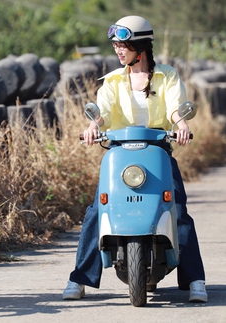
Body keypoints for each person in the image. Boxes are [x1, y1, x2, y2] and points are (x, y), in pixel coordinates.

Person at [62, 15, 207, 303]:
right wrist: (93, 126)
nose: (118, 50)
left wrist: (181, 124)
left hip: (157, 151)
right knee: (97, 211)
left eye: (123, 45)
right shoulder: (115, 79)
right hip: (119, 153)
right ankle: (79, 279)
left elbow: (176, 107)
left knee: (177, 209)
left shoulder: (167, 76)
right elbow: (102, 107)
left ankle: (195, 280)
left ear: (139, 46)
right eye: (115, 45)